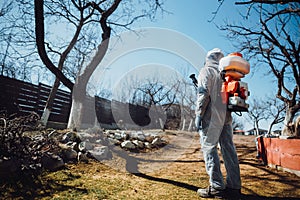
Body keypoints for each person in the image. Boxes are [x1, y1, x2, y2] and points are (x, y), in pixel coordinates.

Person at [195, 48, 241, 199]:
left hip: (211, 117)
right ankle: (234, 186)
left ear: (208, 57)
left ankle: (216, 187)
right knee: (229, 150)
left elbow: (203, 94)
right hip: (226, 118)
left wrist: (198, 115)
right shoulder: (226, 74)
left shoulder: (206, 70)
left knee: (210, 149)